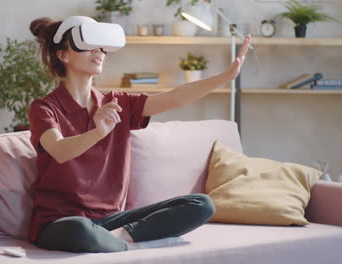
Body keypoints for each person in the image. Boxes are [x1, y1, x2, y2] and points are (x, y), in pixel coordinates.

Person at [28, 16, 252, 253]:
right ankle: (128, 244)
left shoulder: (118, 102)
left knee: (201, 204)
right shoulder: (44, 108)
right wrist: (98, 131)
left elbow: (174, 97)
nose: (99, 52)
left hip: (113, 220)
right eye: (88, 45)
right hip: (60, 222)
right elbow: (60, 151)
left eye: (102, 47)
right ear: (63, 55)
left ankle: (115, 240)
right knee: (80, 229)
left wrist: (224, 77)